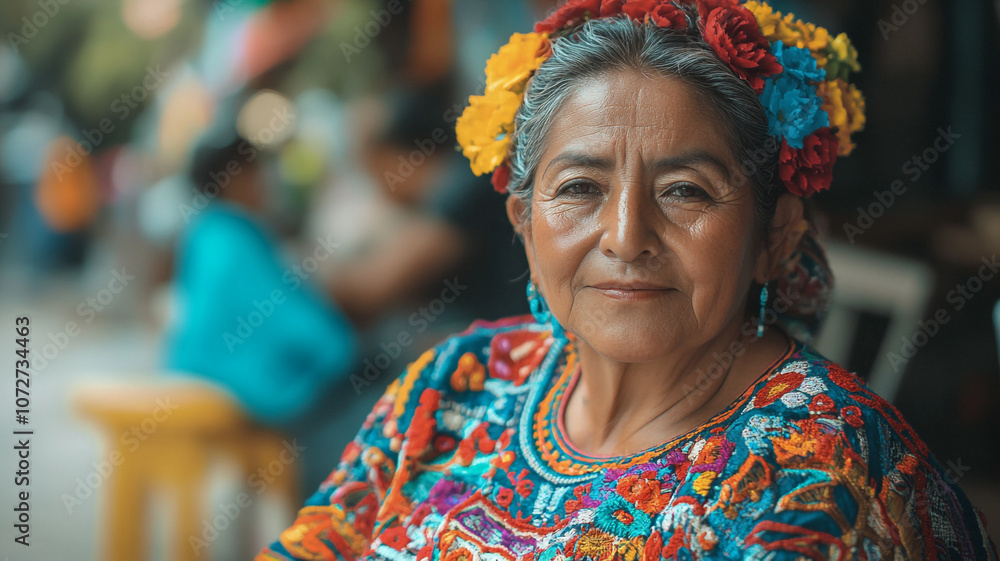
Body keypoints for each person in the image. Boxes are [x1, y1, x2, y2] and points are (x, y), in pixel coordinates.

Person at [255, 1, 999, 559]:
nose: (625, 236)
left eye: (686, 191)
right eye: (580, 187)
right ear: (523, 221)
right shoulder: (456, 382)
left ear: (776, 235)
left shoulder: (822, 473)